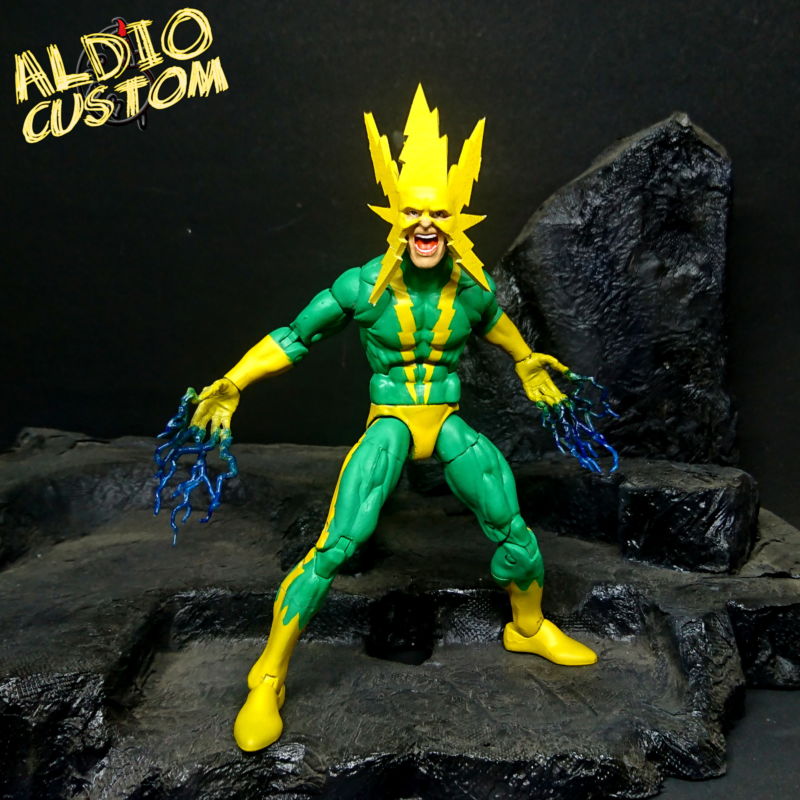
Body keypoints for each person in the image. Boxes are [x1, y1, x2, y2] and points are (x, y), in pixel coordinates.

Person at [160, 86, 609, 752]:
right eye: (414, 213)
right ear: (395, 216)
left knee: (512, 528)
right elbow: (294, 336)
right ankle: (269, 675)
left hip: (446, 424)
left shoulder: (471, 290)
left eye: (438, 213)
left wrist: (527, 363)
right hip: (392, 425)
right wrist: (234, 380)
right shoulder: (362, 287)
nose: (426, 225)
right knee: (336, 545)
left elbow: (504, 331)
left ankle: (527, 627)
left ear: (457, 219)